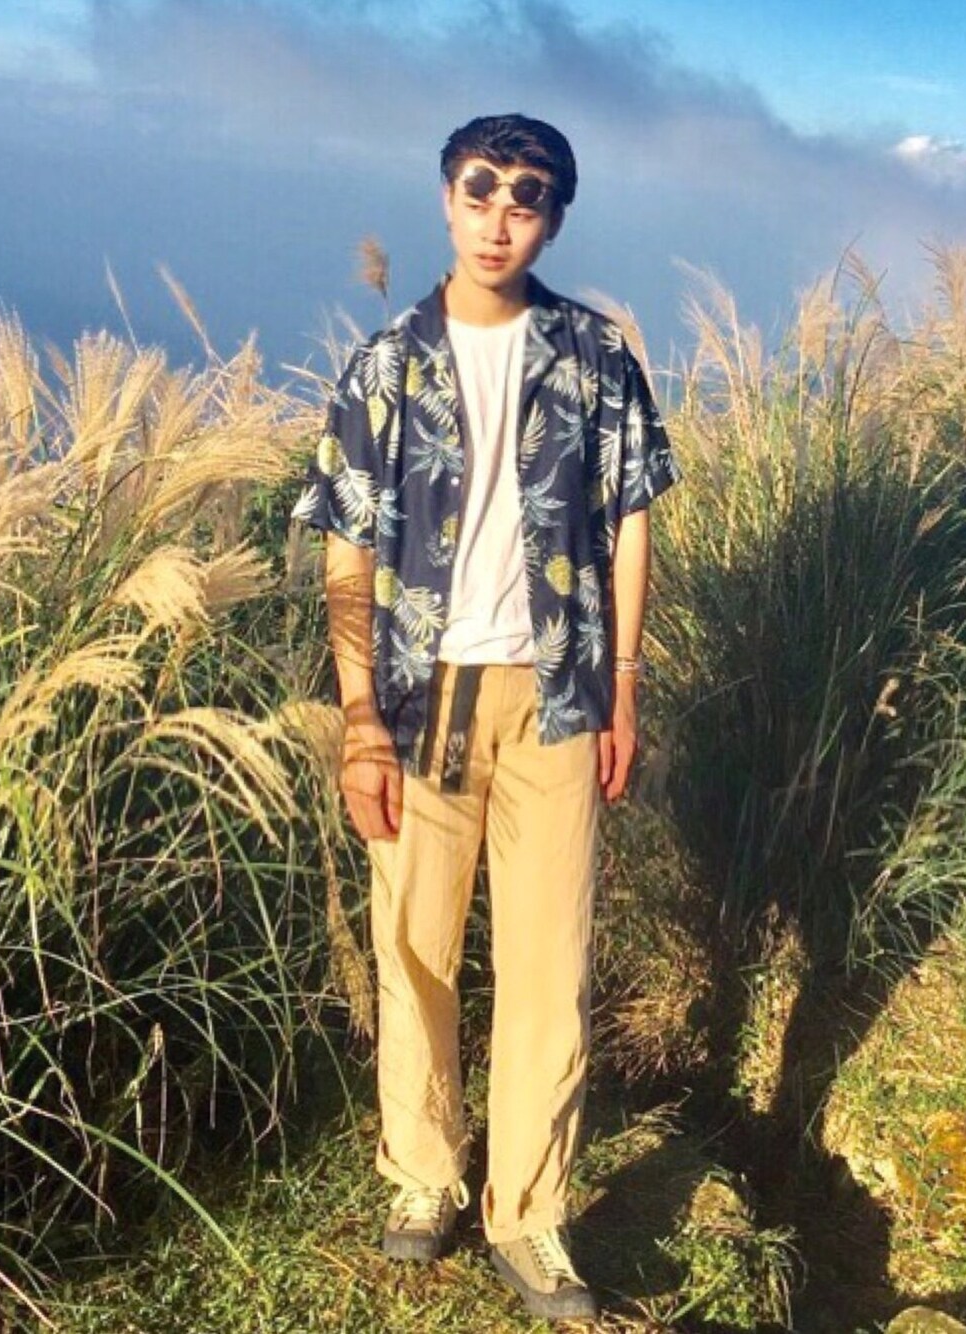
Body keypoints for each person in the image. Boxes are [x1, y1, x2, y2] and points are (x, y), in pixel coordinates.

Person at [293, 112, 679, 1322]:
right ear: (445, 199)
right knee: (412, 948)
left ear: (553, 216)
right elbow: (347, 550)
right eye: (480, 188)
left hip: (558, 692)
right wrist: (360, 719)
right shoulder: (385, 364)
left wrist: (622, 683)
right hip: (421, 695)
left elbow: (629, 517)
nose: (500, 215)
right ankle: (424, 1172)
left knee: (549, 960)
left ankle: (530, 1212)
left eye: (527, 195)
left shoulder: (594, 354)